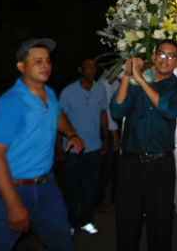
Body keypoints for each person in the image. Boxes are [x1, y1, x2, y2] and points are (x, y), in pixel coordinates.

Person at [0, 38, 85, 251]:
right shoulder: (11, 103)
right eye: (38, 61)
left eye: (47, 60)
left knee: (63, 243)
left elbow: (57, 114)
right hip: (12, 189)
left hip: (47, 187)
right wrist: (14, 204)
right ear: (21, 66)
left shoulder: (50, 94)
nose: (45, 65)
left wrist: (71, 133)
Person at [110, 39, 177, 251]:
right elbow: (117, 111)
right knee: (126, 221)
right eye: (161, 54)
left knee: (160, 223)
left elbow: (168, 109)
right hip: (130, 163)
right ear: (154, 58)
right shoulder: (137, 84)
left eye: (171, 56)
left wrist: (140, 79)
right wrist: (128, 77)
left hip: (160, 165)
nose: (165, 59)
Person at [59, 58, 109, 235]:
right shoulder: (68, 92)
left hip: (94, 147)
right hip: (72, 149)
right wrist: (59, 147)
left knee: (91, 187)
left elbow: (103, 113)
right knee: (71, 187)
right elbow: (59, 118)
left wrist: (106, 138)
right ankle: (70, 222)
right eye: (87, 66)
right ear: (80, 69)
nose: (91, 69)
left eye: (94, 66)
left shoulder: (100, 89)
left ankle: (86, 220)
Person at [96, 69, 121, 212]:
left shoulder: (114, 77)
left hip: (114, 127)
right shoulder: (107, 81)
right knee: (107, 167)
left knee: (115, 166)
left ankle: (115, 198)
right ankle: (99, 201)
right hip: (109, 129)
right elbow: (108, 111)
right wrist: (115, 135)